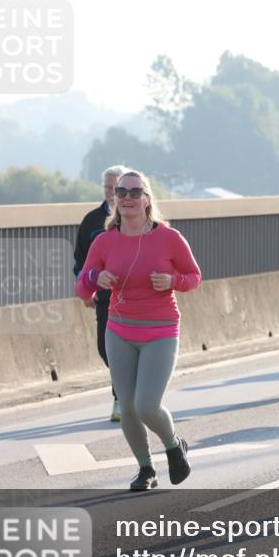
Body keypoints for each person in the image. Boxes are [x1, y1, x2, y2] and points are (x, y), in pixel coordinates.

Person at [76, 170, 200, 491]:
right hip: (119, 330)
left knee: (146, 405)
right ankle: (146, 469)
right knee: (127, 406)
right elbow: (82, 287)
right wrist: (95, 280)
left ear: (147, 199)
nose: (128, 197)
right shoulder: (104, 241)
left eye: (135, 192)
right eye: (122, 192)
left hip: (160, 329)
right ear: (115, 199)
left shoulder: (169, 238)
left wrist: (173, 281)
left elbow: (194, 277)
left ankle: (173, 445)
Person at [74, 165, 129, 423]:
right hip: (105, 298)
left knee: (124, 349)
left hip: (133, 297)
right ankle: (127, 388)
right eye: (107, 187)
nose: (110, 192)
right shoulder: (92, 221)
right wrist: (85, 289)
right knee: (104, 348)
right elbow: (81, 261)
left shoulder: (135, 217)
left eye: (115, 187)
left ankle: (121, 398)